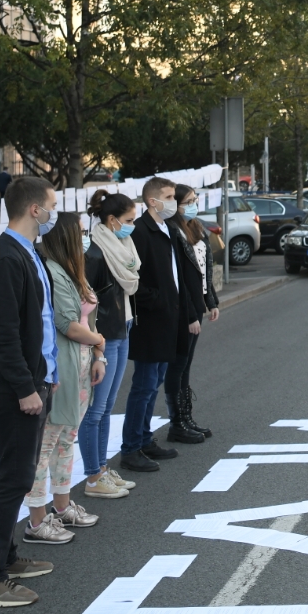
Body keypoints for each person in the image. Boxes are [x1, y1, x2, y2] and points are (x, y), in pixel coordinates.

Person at [0, 176, 60, 607]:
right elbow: (2, 334)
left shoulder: (28, 252)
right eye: (51, 205)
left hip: (33, 379)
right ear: (34, 210)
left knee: (18, 473)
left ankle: (5, 556)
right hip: (12, 388)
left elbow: (39, 321)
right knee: (15, 478)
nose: (54, 212)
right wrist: (25, 387)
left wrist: (47, 372)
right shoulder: (6, 258)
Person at [23, 212, 104, 543]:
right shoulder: (53, 273)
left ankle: (62, 506)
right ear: (65, 237)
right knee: (46, 446)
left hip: (81, 366)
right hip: (62, 369)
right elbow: (67, 324)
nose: (86, 238)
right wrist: (99, 342)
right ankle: (36, 520)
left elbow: (88, 320)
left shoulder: (73, 270)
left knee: (66, 439)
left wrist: (98, 355)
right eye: (81, 232)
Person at [119, 177, 199, 473]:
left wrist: (184, 311)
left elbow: (177, 277)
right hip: (151, 322)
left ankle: (144, 439)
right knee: (143, 386)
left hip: (169, 319)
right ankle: (131, 448)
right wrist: (158, 300)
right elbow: (132, 279)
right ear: (152, 201)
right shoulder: (141, 231)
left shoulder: (167, 229)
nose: (173, 202)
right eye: (168, 197)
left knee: (154, 384)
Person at [80, 191, 140, 500]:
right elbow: (85, 303)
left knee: (106, 408)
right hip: (104, 335)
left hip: (123, 326)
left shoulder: (123, 245)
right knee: (95, 409)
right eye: (129, 220)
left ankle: (102, 469)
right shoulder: (94, 252)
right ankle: (93, 477)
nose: (132, 226)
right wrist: (96, 347)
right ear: (112, 220)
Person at [164, 184, 218, 443]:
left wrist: (211, 300)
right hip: (184, 309)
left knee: (186, 366)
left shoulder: (196, 227)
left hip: (197, 304)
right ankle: (177, 423)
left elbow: (204, 269)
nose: (194, 205)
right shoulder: (172, 232)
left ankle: (186, 418)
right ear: (175, 205)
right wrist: (190, 316)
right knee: (177, 366)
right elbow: (179, 279)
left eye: (195, 200)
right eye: (188, 201)